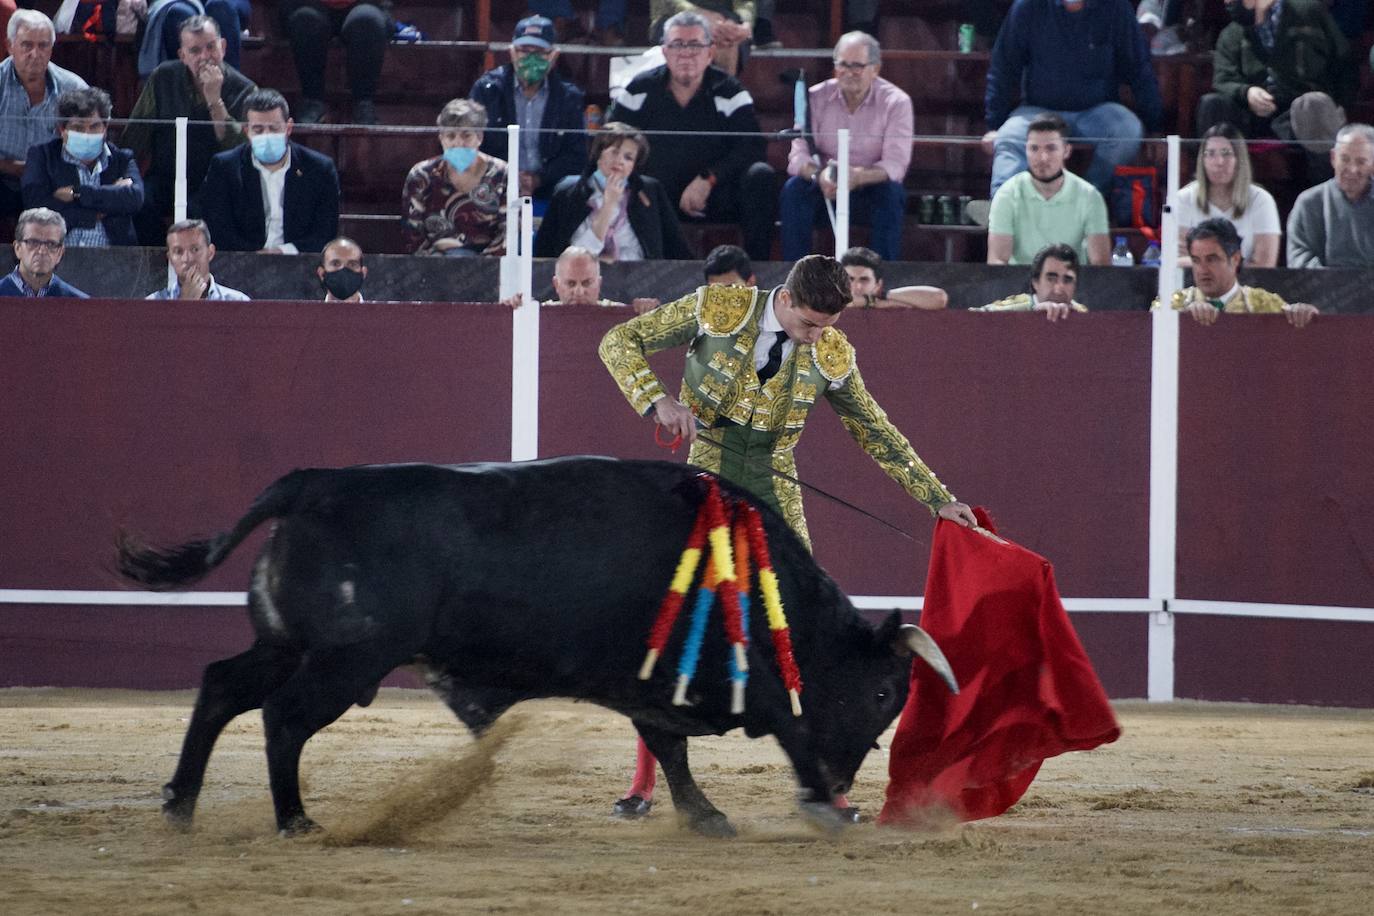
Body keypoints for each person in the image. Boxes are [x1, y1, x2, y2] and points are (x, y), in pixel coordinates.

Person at [598, 254, 978, 820]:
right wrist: (660, 401)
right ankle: (645, 781)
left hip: (776, 487)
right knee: (674, 621)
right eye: (808, 325)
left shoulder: (832, 351)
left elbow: (875, 430)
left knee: (802, 636)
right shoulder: (719, 307)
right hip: (704, 474)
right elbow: (619, 341)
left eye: (826, 328)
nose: (814, 338)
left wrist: (936, 497)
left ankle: (828, 787)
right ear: (786, 298)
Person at [606, 11, 776, 262]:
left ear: (710, 52)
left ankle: (756, 273)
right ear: (664, 51)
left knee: (761, 175)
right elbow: (611, 142)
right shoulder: (639, 89)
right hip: (654, 198)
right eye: (677, 45)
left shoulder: (729, 90)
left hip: (716, 195)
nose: (686, 53)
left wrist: (708, 179)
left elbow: (752, 147)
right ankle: (643, 274)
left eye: (695, 45)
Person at [981, 0, 1162, 197]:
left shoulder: (1115, 7)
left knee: (1128, 129)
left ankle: (1087, 200)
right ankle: (1002, 209)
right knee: (1009, 136)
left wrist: (1155, 127)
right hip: (1037, 112)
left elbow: (1139, 69)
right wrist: (994, 125)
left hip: (1096, 113)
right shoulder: (1028, 6)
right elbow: (1003, 67)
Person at [121, 15, 257, 246]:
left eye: (211, 47)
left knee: (198, 212)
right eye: (195, 51)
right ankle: (156, 266)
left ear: (223, 47)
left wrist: (214, 101)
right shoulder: (163, 77)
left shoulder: (245, 90)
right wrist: (122, 173)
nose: (205, 57)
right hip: (165, 176)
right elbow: (136, 133)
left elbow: (242, 150)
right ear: (182, 56)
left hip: (214, 183)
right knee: (140, 201)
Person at [781, 32, 911, 262]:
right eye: (842, 65)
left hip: (868, 184)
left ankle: (880, 283)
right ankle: (796, 279)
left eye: (857, 66)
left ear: (875, 69)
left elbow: (895, 164)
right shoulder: (816, 96)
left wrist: (857, 177)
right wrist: (820, 176)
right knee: (794, 191)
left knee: (892, 195)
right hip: (825, 182)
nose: (848, 73)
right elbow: (797, 155)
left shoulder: (896, 102)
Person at [1197, 0, 1354, 174]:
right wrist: (1246, 92)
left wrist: (1341, 104)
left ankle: (1325, 191)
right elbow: (1223, 79)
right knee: (1212, 104)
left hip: (1299, 112)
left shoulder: (1308, 11)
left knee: (1313, 105)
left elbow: (1343, 61)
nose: (1229, 3)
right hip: (1252, 115)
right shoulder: (1231, 33)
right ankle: (1212, 187)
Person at [198, 89, 341, 254]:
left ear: (288, 128)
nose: (267, 135)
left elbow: (325, 232)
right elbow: (218, 229)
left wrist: (283, 251)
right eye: (258, 130)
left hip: (299, 262)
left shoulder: (319, 168)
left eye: (274, 129)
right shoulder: (225, 167)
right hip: (241, 264)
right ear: (246, 131)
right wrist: (256, 256)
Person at [468, 16, 588, 205]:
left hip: (550, 191)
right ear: (512, 53)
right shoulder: (487, 90)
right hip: (494, 186)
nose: (531, 58)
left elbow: (576, 155)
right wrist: (505, 174)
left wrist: (538, 179)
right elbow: (473, 144)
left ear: (553, 55)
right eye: (524, 51)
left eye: (539, 52)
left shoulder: (568, 97)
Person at [534, 121, 693, 261]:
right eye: (615, 152)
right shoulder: (568, 191)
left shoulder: (650, 190)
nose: (620, 161)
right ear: (598, 154)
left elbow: (677, 249)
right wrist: (609, 204)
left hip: (639, 282)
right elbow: (573, 256)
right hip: (581, 283)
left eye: (628, 157)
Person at [21, 88, 144, 247]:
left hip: (115, 261)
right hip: (56, 256)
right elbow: (37, 206)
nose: (87, 134)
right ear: (62, 130)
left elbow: (134, 198)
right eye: (78, 128)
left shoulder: (122, 159)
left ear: (105, 128)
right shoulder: (43, 156)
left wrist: (77, 193)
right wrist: (100, 210)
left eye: (94, 127)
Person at [987, 114, 1110, 266]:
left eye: (1051, 148)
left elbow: (1101, 264)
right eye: (1034, 148)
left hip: (1071, 285)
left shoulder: (1090, 196)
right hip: (1020, 286)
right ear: (1026, 150)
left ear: (1066, 151)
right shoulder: (1007, 194)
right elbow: (997, 261)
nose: (1042, 157)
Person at [0, 10, 88, 222]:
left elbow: (90, 145)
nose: (35, 53)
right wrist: (16, 168)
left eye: (43, 45)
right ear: (9, 46)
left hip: (53, 181)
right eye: (27, 45)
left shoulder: (74, 88)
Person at [1156, 218, 1317, 327]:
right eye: (1196, 260)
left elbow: (1300, 331)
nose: (1202, 269)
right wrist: (1184, 318)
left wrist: (1306, 316)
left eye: (1212, 259)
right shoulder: (1174, 304)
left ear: (1235, 259)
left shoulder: (1264, 304)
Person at [402, 99, 507, 257]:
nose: (458, 142)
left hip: (489, 268)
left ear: (480, 137)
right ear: (441, 138)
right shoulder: (421, 175)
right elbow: (412, 233)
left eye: (466, 135)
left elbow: (509, 231)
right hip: (434, 265)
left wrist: (481, 267)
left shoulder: (503, 174)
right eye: (450, 136)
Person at [1175, 123, 1281, 268]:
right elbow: (1177, 260)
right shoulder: (1184, 198)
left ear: (1239, 159)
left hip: (1247, 286)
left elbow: (1264, 265)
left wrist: (1209, 265)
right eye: (1211, 154)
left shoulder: (1261, 200)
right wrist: (1229, 266)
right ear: (1202, 160)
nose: (1219, 162)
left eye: (1226, 153)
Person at [278, 0, 389, 125]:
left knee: (367, 21)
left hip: (364, 4)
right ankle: (312, 101)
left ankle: (363, 103)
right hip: (309, 5)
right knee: (305, 20)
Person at [1286, 123, 1374, 268]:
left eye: (1361, 162)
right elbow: (1298, 257)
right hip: (1323, 288)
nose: (1352, 169)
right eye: (1345, 159)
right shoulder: (1309, 202)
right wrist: (1331, 282)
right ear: (1333, 158)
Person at [501, 245, 660, 312]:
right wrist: (511, 312)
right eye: (570, 283)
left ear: (599, 284)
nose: (579, 291)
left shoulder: (619, 315)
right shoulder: (538, 315)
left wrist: (650, 314)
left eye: (586, 283)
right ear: (556, 284)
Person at [972, 243, 1087, 320]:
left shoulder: (1083, 315)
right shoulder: (1014, 308)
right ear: (1035, 282)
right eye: (1051, 279)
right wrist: (1031, 315)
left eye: (1067, 280)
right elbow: (969, 318)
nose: (1059, 289)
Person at [147, 218, 249, 300]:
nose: (187, 258)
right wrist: (185, 302)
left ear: (210, 253)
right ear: (170, 259)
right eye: (178, 251)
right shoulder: (153, 305)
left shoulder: (238, 302)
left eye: (195, 249)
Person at [0, 207, 88, 297]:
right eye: (33, 242)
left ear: (60, 253)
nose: (42, 251)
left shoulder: (79, 304)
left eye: (51, 244)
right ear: (18, 249)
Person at [649, 1, 753, 76]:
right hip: (672, 15)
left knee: (726, 38)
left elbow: (744, 4)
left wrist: (745, 23)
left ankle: (724, 99)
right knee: (704, 34)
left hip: (724, 19)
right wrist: (699, 14)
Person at [839, 246, 946, 310]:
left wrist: (880, 297)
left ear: (878, 285)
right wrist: (872, 302)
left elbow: (939, 298)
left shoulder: (881, 300)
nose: (857, 286)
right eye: (850, 279)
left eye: (864, 280)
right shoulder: (829, 300)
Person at [318, 236, 367, 301]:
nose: (343, 270)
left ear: (363, 273)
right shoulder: (306, 311)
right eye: (335, 264)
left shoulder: (383, 311)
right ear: (321, 273)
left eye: (352, 264)